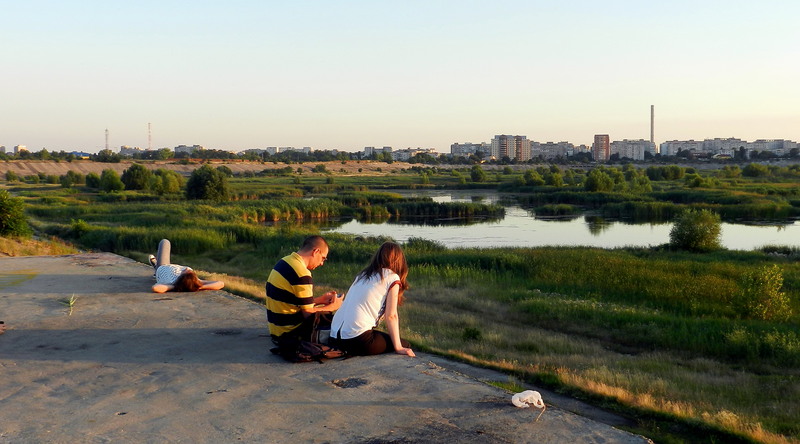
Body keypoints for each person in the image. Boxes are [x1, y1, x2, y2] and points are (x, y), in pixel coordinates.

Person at [330, 242, 415, 357]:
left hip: (334, 338)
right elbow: (391, 316)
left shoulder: (362, 275)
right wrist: (398, 347)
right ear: (399, 261)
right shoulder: (392, 277)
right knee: (405, 344)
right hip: (358, 340)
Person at [265, 235, 342, 347]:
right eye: (323, 258)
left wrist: (320, 300)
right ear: (316, 252)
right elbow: (308, 314)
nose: (322, 263)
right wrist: (333, 306)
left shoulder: (285, 261)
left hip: (277, 330)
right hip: (290, 334)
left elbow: (291, 301)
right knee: (336, 322)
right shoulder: (302, 274)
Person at [149, 239, 225, 293]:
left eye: (186, 272)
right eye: (191, 272)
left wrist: (176, 287)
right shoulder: (196, 281)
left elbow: (155, 288)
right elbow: (221, 283)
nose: (187, 269)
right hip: (171, 267)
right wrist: (197, 287)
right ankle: (155, 264)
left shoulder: (171, 283)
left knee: (165, 242)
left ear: (181, 278)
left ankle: (156, 266)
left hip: (163, 266)